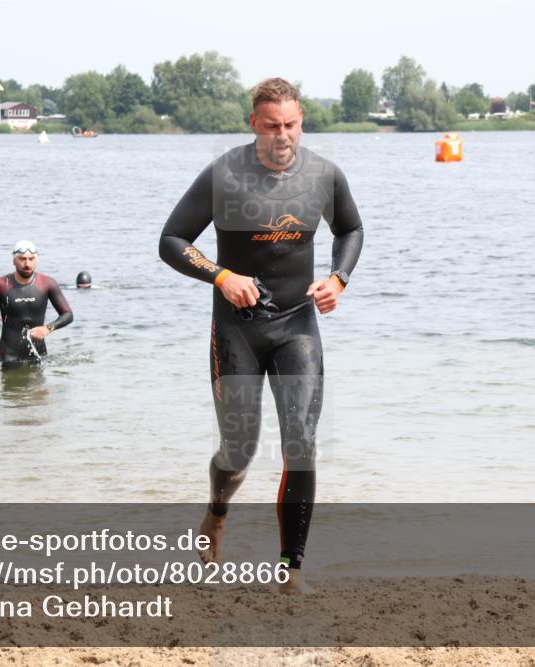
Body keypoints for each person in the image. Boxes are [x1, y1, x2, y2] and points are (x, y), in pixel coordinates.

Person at [159, 77, 363, 594]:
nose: (283, 136)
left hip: (298, 325)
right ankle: (216, 514)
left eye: (291, 125)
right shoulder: (225, 174)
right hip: (237, 331)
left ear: (302, 121)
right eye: (272, 126)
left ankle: (290, 570)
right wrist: (222, 277)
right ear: (253, 123)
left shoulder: (323, 175)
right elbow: (172, 239)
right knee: (239, 449)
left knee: (302, 444)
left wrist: (338, 278)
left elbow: (351, 230)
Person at [0, 240, 73, 365]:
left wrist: (48, 328)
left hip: (39, 356)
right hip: (8, 356)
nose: (27, 264)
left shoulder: (47, 283)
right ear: (14, 261)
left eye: (31, 259)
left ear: (36, 260)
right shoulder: (0, 285)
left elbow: (68, 314)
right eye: (22, 259)